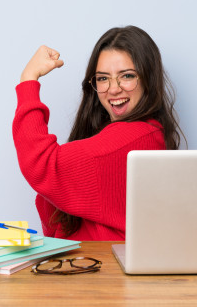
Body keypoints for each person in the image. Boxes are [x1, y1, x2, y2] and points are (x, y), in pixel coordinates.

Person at [13, 26, 184, 241]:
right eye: (103, 78)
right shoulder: (141, 135)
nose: (113, 89)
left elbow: (41, 164)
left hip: (100, 270)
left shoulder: (131, 139)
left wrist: (28, 80)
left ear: (148, 79)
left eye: (127, 76)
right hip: (84, 266)